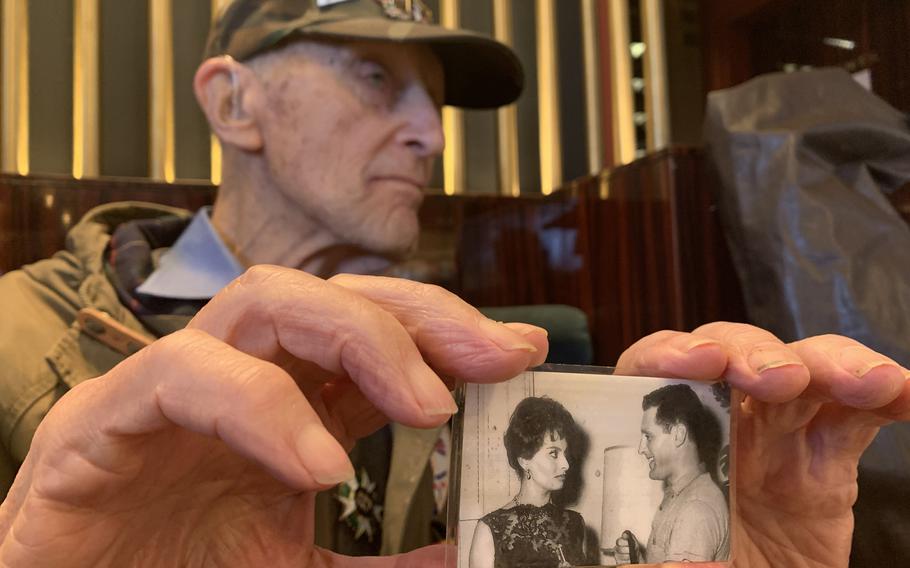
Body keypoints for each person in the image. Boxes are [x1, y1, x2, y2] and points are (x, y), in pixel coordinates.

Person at [0, 0, 906, 566]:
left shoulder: (457, 369)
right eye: (373, 77)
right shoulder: (14, 345)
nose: (429, 136)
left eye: (432, 101)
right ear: (234, 103)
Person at [469, 397, 590, 568]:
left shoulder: (575, 524)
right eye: (554, 453)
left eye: (565, 453)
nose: (566, 464)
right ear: (525, 460)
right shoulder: (490, 529)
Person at [615, 384, 728, 564]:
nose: (641, 449)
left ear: (678, 434)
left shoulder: (695, 510)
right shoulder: (681, 495)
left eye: (648, 437)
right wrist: (637, 561)